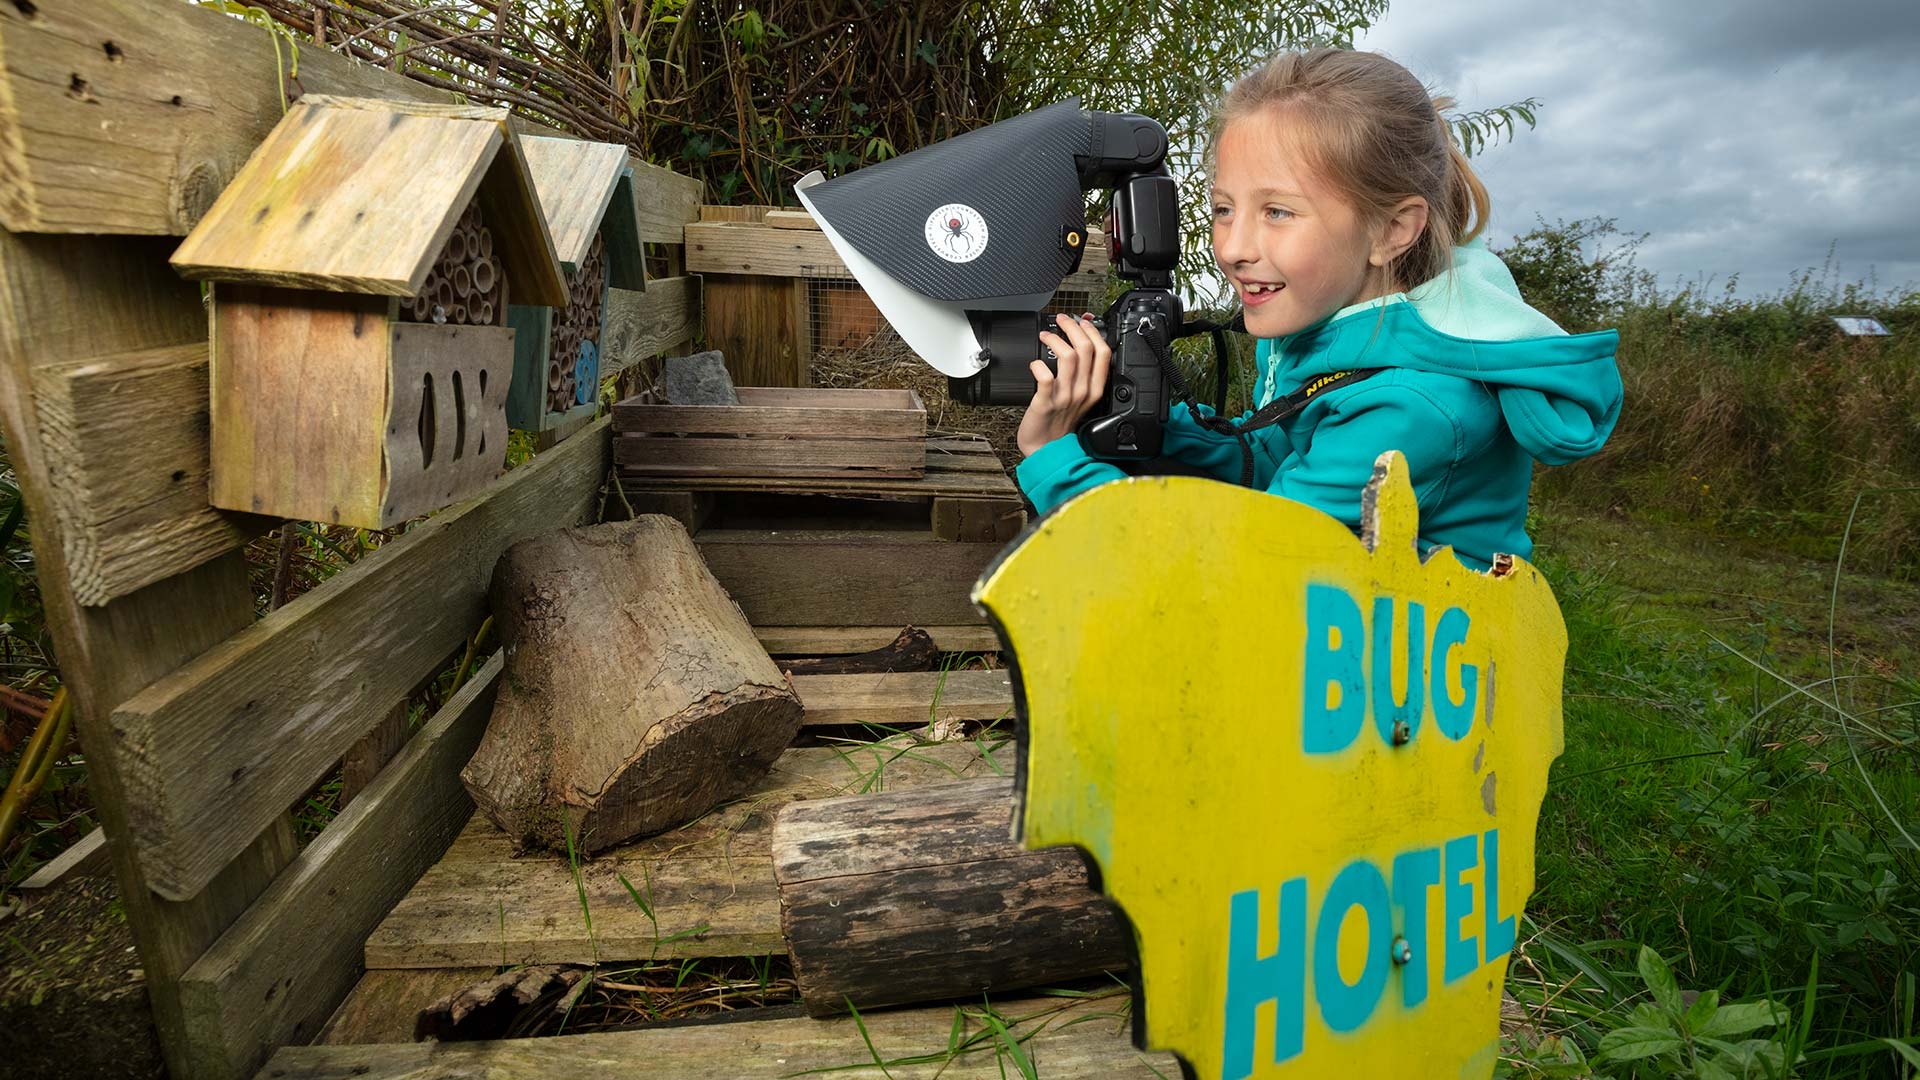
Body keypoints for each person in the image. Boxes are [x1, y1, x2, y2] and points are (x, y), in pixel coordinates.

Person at [1012, 48, 1623, 570]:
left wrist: (1054, 458)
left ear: (1390, 231)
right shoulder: (1339, 336)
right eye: (1225, 209)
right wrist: (1157, 421)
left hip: (1397, 695)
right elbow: (1279, 468)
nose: (1234, 248)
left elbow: (1220, 570)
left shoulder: (1410, 407)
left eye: (1277, 211)